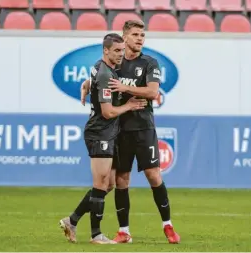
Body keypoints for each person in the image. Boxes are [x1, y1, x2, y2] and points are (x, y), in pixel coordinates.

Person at [80, 20, 180, 244]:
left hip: (144, 127)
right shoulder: (117, 62)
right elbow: (102, 77)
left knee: (153, 175)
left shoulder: (149, 63)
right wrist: (87, 83)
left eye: (142, 35)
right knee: (122, 180)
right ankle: (124, 231)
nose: (140, 39)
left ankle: (168, 226)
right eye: (135, 34)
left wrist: (126, 88)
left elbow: (153, 92)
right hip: (121, 130)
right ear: (125, 38)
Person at [59, 33, 147, 244]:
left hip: (108, 132)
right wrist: (129, 105)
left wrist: (87, 83)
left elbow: (95, 78)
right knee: (100, 183)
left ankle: (72, 220)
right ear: (105, 50)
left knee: (107, 185)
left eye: (122, 50)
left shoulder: (101, 67)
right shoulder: (106, 74)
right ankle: (96, 235)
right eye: (116, 51)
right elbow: (107, 112)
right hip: (100, 131)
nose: (121, 55)